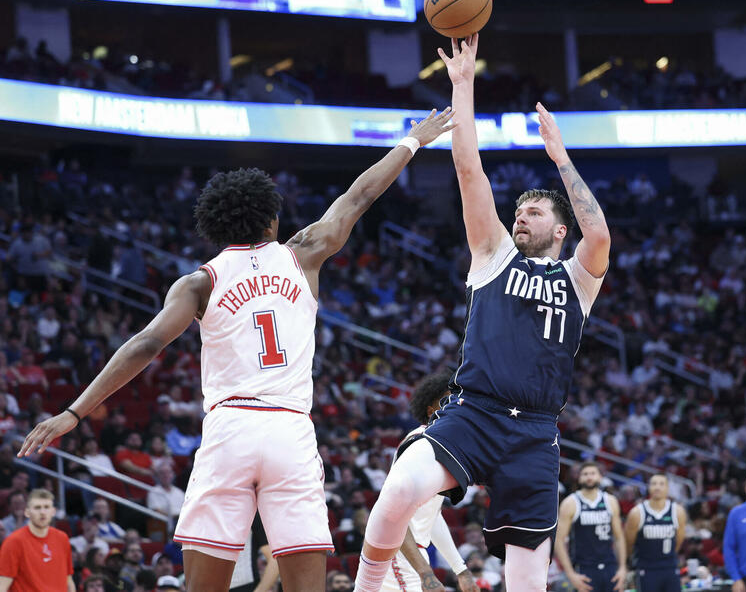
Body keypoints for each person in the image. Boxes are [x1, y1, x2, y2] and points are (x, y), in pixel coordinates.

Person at [18, 108, 456, 592]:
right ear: (270, 216)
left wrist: (74, 413)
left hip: (229, 429)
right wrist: (414, 142)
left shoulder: (199, 282)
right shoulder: (303, 252)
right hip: (290, 430)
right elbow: (360, 196)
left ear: (218, 226)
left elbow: (145, 344)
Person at [354, 33, 610, 592]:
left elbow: (600, 232)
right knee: (398, 489)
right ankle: (366, 586)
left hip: (536, 433)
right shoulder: (494, 256)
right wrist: (462, 84)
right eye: (518, 210)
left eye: (535, 211)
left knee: (526, 584)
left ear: (558, 230)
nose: (521, 216)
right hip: (475, 412)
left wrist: (561, 158)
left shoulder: (578, 280)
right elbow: (470, 172)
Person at [380, 373, 477, 592]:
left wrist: (460, 569)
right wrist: (426, 574)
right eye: (447, 401)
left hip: (412, 552)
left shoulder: (440, 445)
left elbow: (431, 517)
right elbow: (394, 515)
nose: (456, 406)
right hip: (399, 552)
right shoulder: (421, 444)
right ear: (431, 411)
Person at [554, 462, 626, 592]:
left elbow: (619, 537)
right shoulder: (571, 502)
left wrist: (622, 568)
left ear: (600, 477)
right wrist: (570, 574)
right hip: (584, 568)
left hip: (610, 566)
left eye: (593, 473)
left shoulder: (610, 501)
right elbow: (559, 540)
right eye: (585, 474)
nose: (589, 477)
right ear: (579, 478)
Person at [0, 488, 74, 591]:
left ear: (53, 511)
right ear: (27, 512)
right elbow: (3, 583)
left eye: (47, 507)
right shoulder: (14, 541)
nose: (43, 512)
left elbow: (68, 579)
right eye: (37, 508)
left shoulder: (62, 538)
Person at [625, 474, 687, 592]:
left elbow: (678, 541)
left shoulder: (678, 511)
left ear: (667, 488)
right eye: (654, 484)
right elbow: (629, 543)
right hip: (646, 568)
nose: (657, 487)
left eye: (661, 484)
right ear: (648, 487)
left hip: (669, 567)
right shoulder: (637, 513)